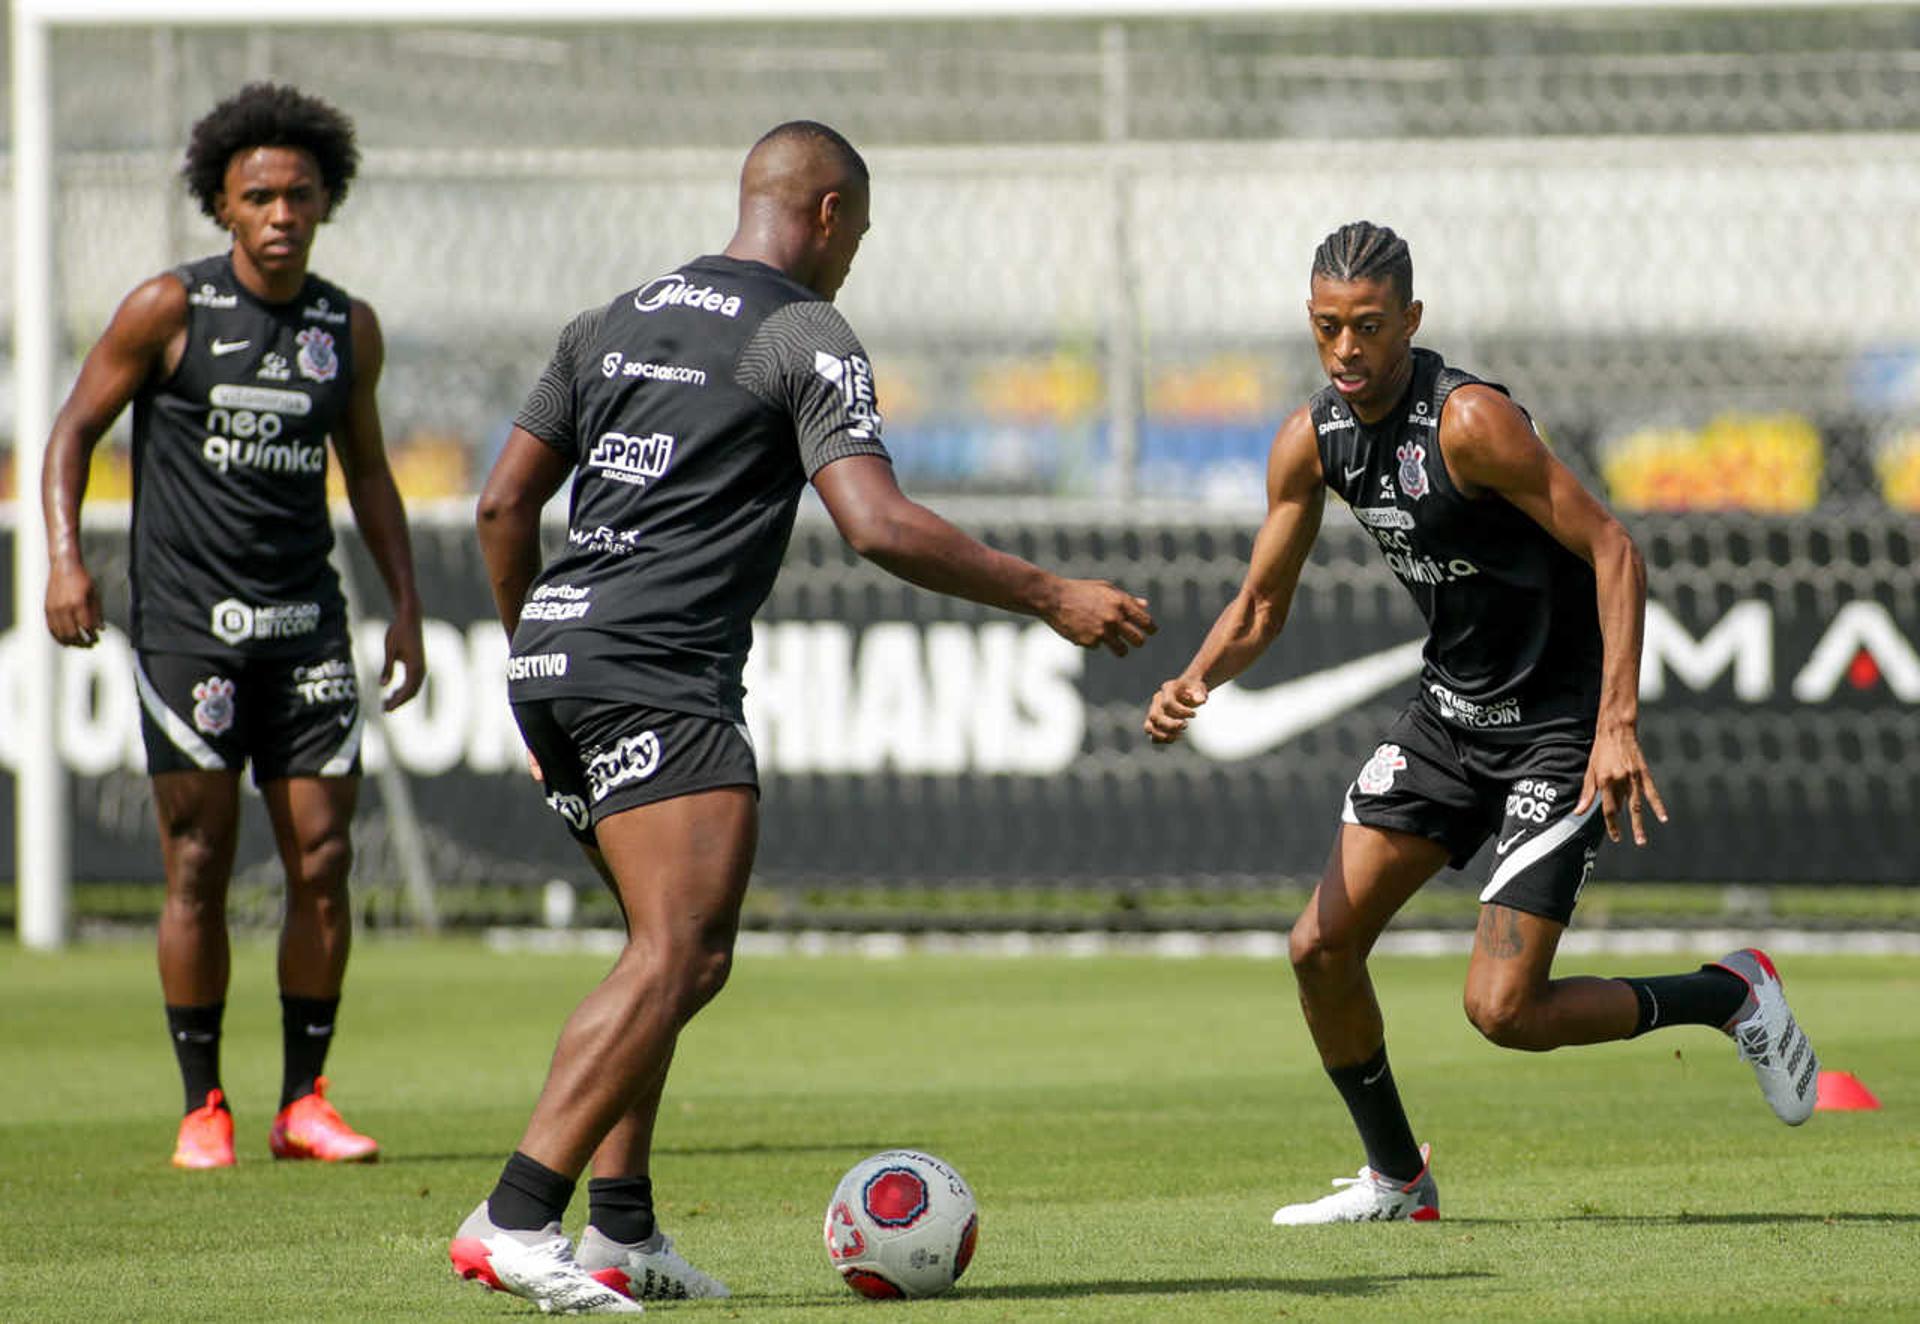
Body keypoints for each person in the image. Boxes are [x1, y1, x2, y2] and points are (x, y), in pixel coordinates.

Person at [455, 120, 1156, 1313]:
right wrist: (1053, 594)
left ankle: (622, 1231)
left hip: (558, 655)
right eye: (859, 235)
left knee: (656, 953)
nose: (853, 261)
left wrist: (539, 653)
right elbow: (876, 525)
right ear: (827, 214)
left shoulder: (607, 319)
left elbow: (500, 505)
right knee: (688, 951)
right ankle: (517, 1214)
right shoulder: (804, 331)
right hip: (660, 663)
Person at [1143, 221, 1819, 1225]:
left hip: (1555, 727)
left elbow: (1615, 550)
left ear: (1411, 321)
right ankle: (1398, 1180)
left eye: (1368, 326)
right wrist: (1196, 676)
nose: (1346, 351)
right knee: (1317, 950)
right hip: (1448, 722)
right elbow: (1258, 608)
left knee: (1503, 1012)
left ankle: (1728, 994)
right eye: (1327, 328)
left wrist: (1616, 722)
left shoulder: (1469, 424)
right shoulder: (1311, 440)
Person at [42, 84, 425, 1170]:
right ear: (220, 204)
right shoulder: (168, 309)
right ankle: (201, 1100)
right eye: (258, 195)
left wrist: (404, 609)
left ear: (325, 201)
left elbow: (373, 476)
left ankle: (304, 1100)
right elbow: (73, 429)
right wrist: (67, 560)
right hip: (188, 631)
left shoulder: (346, 329)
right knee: (199, 863)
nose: (280, 213)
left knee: (325, 856)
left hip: (307, 627)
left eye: (300, 194)